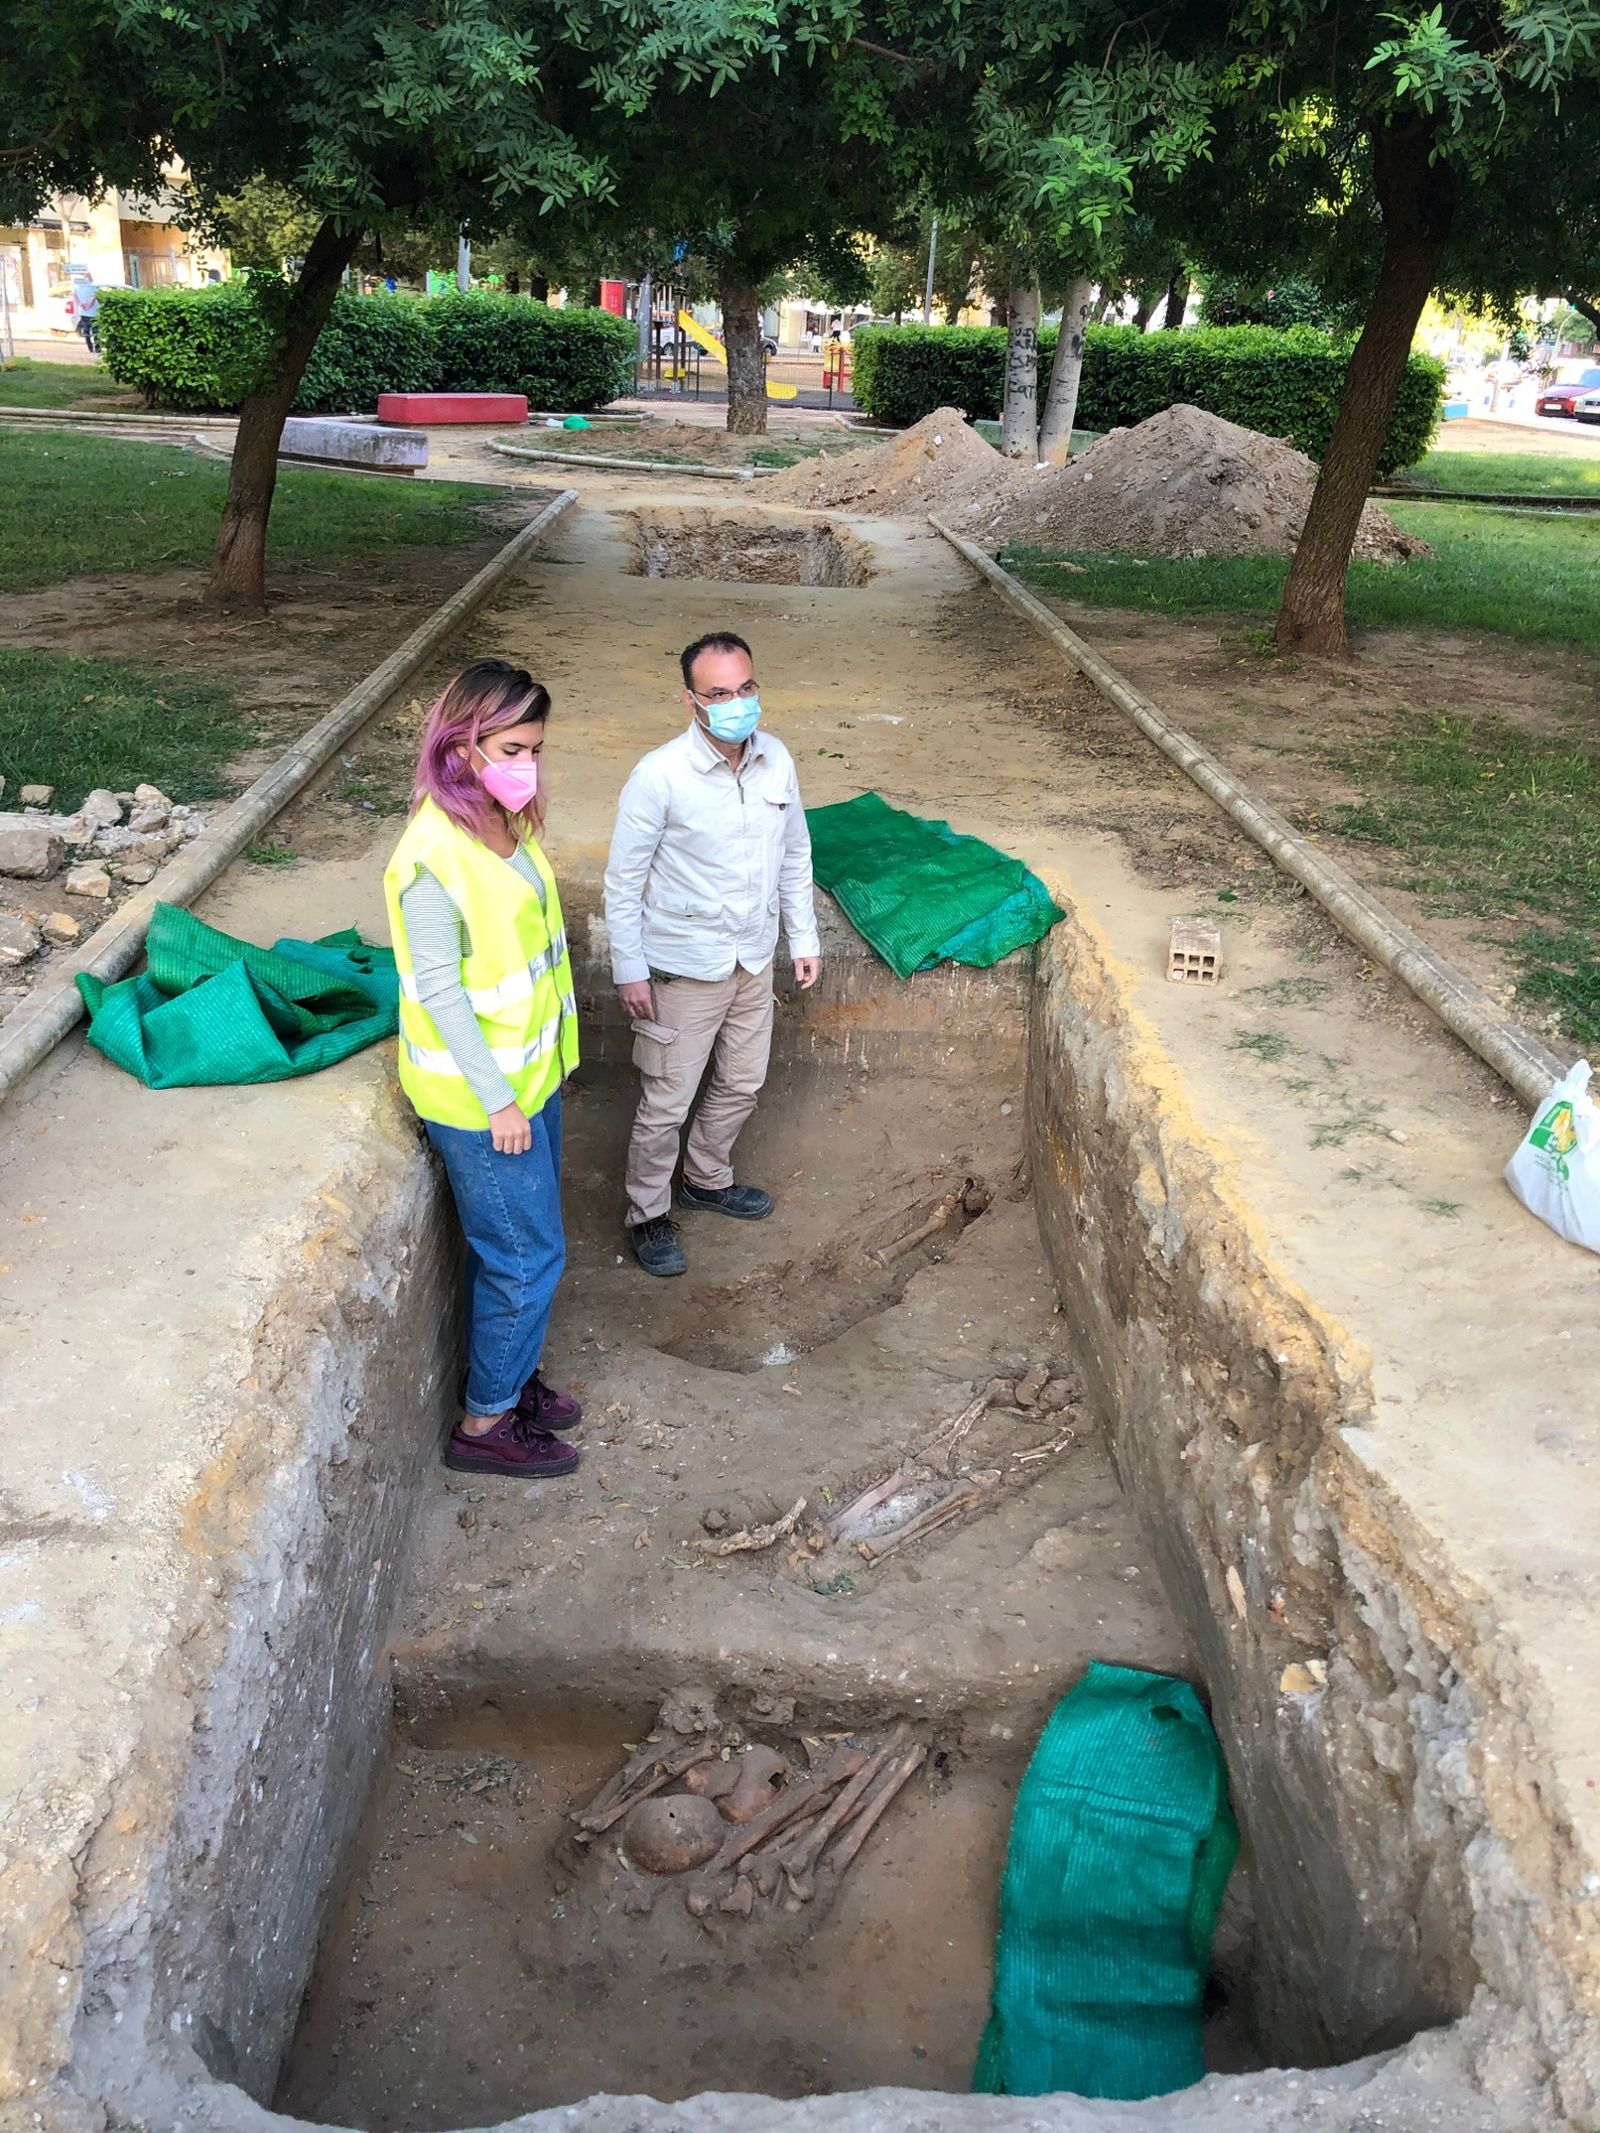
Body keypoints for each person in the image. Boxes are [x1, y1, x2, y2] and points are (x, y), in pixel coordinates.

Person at [382, 660, 583, 1480]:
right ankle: (485, 1420)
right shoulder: (433, 857)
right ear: (459, 742)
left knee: (523, 1247)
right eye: (510, 746)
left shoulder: (508, 818)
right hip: (483, 1101)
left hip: (532, 1080)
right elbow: (441, 995)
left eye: (534, 746)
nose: (525, 763)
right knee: (526, 1256)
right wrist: (501, 1102)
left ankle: (511, 1372)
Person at [604, 631, 822, 1277]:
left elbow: (795, 852)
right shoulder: (659, 775)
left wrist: (801, 940)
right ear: (690, 701)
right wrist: (629, 968)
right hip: (683, 966)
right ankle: (647, 1214)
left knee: (742, 1081)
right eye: (719, 693)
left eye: (746, 688)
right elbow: (623, 880)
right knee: (666, 1101)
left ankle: (706, 1177)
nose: (737, 703)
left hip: (752, 958)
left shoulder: (775, 759)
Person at [71, 278, 99, 355]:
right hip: (94, 314)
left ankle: (90, 348)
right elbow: (93, 297)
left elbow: (74, 296)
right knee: (96, 332)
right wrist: (88, 305)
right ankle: (97, 348)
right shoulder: (94, 286)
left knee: (86, 332)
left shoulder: (77, 287)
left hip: (84, 313)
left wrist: (81, 304)